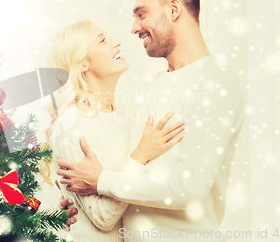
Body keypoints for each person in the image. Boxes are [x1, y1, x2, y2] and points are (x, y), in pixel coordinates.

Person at [57, 0, 246, 242]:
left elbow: (187, 189)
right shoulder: (145, 88)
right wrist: (74, 202)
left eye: (141, 14)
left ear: (173, 9)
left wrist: (101, 181)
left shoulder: (217, 81)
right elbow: (127, 166)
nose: (133, 28)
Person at [45, 19, 185, 241]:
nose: (117, 42)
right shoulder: (71, 127)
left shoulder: (125, 117)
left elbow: (141, 190)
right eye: (103, 40)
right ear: (82, 63)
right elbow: (104, 217)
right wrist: (141, 154)